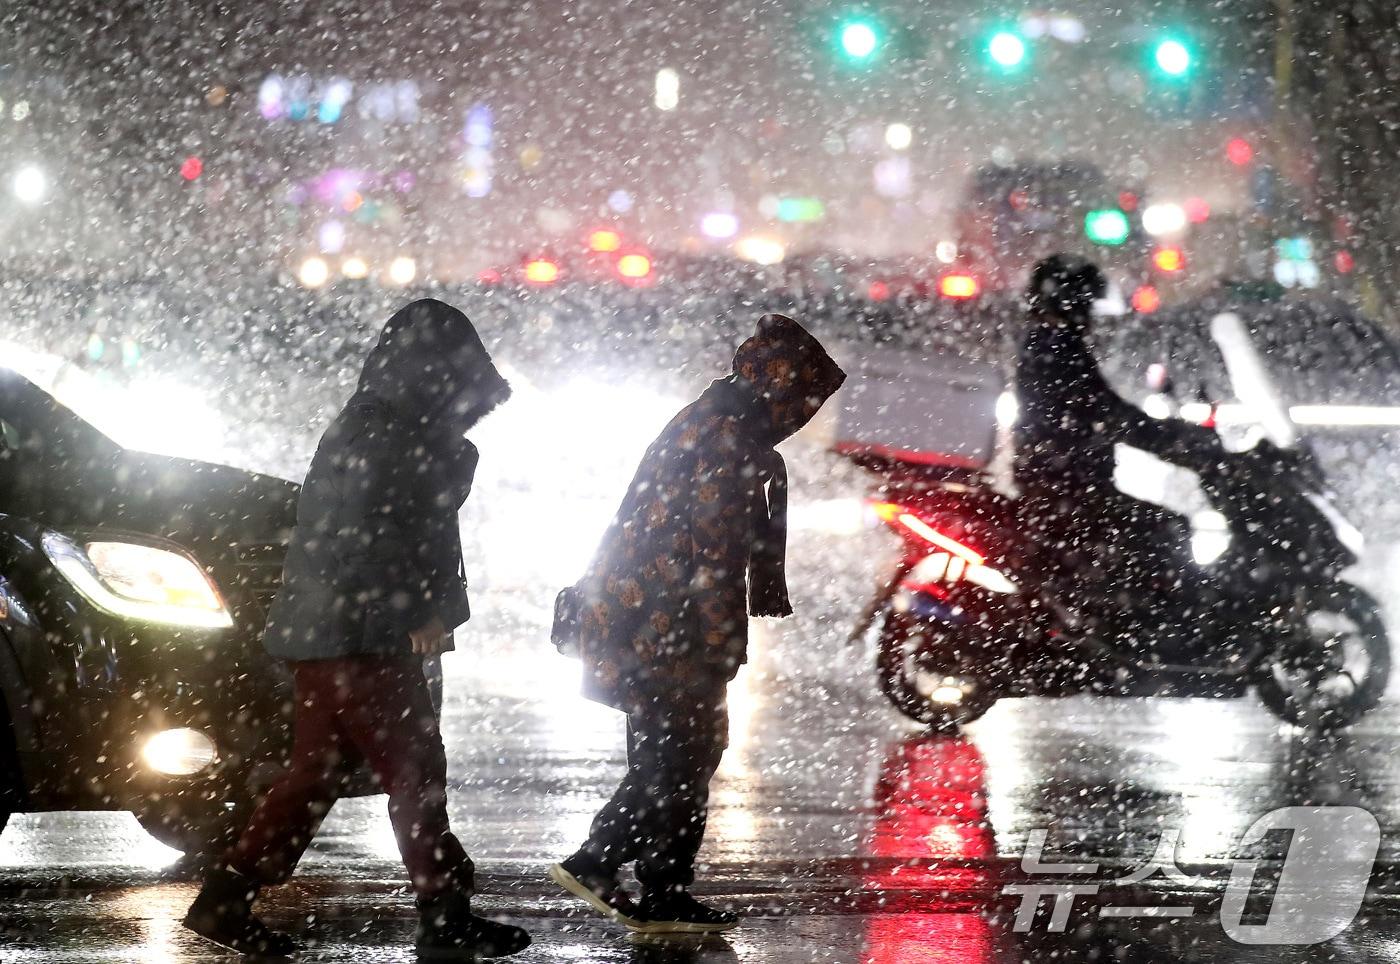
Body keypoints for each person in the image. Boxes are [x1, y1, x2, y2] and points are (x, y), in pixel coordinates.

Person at [182, 299, 530, 960]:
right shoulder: (387, 433)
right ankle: (443, 911)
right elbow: (376, 533)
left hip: (332, 631)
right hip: (360, 634)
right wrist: (417, 607)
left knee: (314, 774)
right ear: (435, 372)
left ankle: (225, 900)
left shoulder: (381, 425)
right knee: (416, 769)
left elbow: (394, 524)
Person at [549, 313, 846, 934]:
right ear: (779, 391)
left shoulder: (711, 421)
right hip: (665, 624)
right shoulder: (726, 442)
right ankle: (600, 861)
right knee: (683, 756)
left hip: (640, 616)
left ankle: (661, 889)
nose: (802, 417)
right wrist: (721, 642)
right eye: (803, 402)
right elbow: (714, 555)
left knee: (669, 755)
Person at [1013, 255, 1224, 638]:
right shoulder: (1056, 348)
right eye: (1086, 305)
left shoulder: (1052, 343)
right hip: (1066, 483)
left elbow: (1102, 409)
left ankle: (1125, 622)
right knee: (1166, 530)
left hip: (1063, 479)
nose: (1092, 316)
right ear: (1071, 302)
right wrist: (1174, 439)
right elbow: (1106, 410)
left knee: (1147, 533)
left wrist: (1167, 435)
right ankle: (1151, 630)